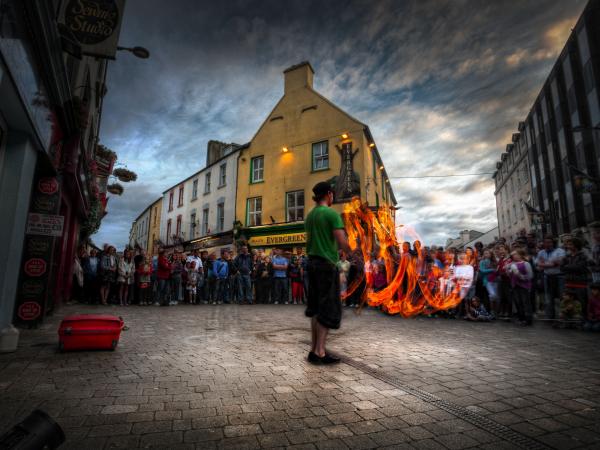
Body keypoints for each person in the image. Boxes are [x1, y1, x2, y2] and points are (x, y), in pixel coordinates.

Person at [305, 181, 351, 365]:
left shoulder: (311, 215)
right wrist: (353, 250)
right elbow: (341, 241)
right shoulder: (331, 214)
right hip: (326, 266)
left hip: (312, 264)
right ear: (329, 194)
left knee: (316, 309)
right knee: (327, 309)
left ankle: (313, 350)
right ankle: (320, 352)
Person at [536, 235, 566, 320]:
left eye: (549, 242)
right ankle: (550, 316)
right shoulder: (541, 252)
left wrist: (544, 264)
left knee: (561, 296)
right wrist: (552, 263)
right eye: (545, 242)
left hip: (559, 276)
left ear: (553, 243)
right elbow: (539, 266)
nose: (547, 244)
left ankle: (563, 316)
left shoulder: (560, 251)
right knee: (549, 297)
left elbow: (559, 262)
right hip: (547, 277)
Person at [561, 237, 590, 318]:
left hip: (580, 282)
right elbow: (561, 268)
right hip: (569, 282)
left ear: (576, 245)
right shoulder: (567, 256)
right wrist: (570, 267)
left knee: (581, 303)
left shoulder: (582, 256)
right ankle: (572, 321)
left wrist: (568, 267)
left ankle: (584, 319)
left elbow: (579, 268)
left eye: (570, 244)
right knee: (569, 303)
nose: (568, 246)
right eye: (568, 244)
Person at [509, 248, 534, 326]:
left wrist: (519, 275)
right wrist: (509, 272)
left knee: (525, 302)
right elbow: (510, 275)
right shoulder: (512, 264)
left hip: (524, 286)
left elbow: (530, 276)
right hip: (515, 285)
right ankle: (521, 318)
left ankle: (528, 319)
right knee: (518, 302)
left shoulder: (526, 263)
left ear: (520, 255)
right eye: (513, 255)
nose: (514, 256)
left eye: (515, 254)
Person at [478, 249, 498, 316]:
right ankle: (491, 311)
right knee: (492, 295)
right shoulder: (482, 262)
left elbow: (497, 270)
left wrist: (495, 270)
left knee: (495, 296)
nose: (486, 254)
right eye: (485, 253)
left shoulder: (494, 261)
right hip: (487, 280)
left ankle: (495, 311)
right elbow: (482, 270)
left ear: (491, 254)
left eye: (488, 253)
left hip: (495, 280)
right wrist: (492, 270)